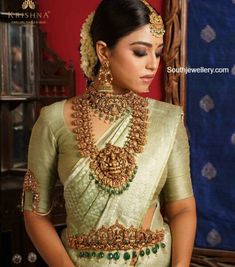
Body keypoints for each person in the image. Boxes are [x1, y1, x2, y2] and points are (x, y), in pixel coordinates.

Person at [22, 0, 196, 266]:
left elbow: (182, 208)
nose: (153, 64)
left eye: (158, 53)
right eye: (141, 52)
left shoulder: (168, 121)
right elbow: (34, 214)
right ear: (103, 52)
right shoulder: (53, 120)